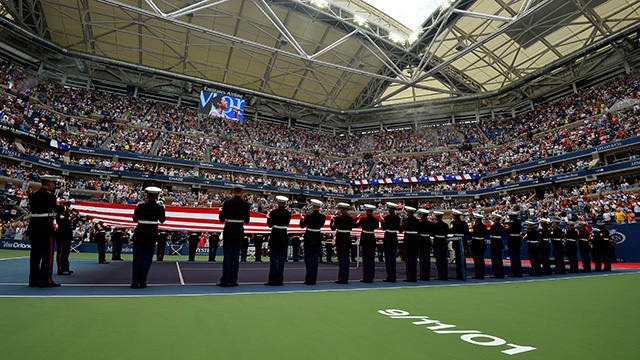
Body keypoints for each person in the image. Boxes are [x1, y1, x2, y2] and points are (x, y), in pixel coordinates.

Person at [26, 175, 60, 287]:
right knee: (47, 255)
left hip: (34, 227)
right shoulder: (50, 196)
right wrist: (64, 206)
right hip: (45, 227)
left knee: (35, 255)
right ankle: (46, 280)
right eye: (53, 183)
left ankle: (33, 280)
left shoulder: (33, 196)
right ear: (49, 183)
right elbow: (57, 209)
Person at [131, 186, 166, 289]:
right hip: (151, 234)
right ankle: (142, 282)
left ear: (146, 195)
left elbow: (134, 219)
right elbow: (162, 220)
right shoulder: (159, 208)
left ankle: (134, 282)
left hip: (140, 233)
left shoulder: (140, 206)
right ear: (157, 196)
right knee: (147, 258)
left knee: (137, 258)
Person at [218, 184, 250, 287]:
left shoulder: (227, 203)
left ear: (233, 191)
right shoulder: (246, 204)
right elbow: (247, 221)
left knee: (227, 256)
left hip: (229, 231)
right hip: (239, 231)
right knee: (236, 257)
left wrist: (221, 212)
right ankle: (233, 280)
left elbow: (222, 219)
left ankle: (225, 280)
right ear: (241, 192)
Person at [265, 196, 291, 286]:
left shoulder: (273, 212)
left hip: (275, 235)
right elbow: (287, 224)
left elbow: (269, 225)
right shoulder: (288, 214)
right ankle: (280, 279)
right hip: (283, 236)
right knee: (281, 259)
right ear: (285, 203)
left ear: (278, 203)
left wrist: (268, 218)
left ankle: (272, 279)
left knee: (273, 259)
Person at [300, 199, 326, 285]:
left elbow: (302, 226)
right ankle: (313, 278)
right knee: (315, 259)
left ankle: (309, 278)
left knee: (308, 259)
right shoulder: (323, 217)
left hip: (309, 238)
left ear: (313, 206)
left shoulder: (308, 216)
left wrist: (302, 219)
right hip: (317, 238)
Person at [330, 202, 355, 284]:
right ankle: (345, 277)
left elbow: (333, 228)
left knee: (341, 259)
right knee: (346, 259)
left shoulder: (338, 218)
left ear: (341, 209)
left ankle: (342, 278)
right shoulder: (351, 219)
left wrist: (331, 221)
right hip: (347, 239)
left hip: (340, 239)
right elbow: (351, 228)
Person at [355, 204, 379, 283]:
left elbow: (355, 224)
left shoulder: (363, 219)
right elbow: (376, 226)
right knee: (371, 259)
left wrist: (357, 218)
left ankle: (366, 277)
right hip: (372, 238)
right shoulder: (375, 220)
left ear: (366, 211)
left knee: (365, 259)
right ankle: (371, 277)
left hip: (365, 239)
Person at [380, 202, 400, 282]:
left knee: (388, 258)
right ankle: (393, 275)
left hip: (388, 238)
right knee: (393, 258)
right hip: (394, 237)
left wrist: (382, 220)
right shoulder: (397, 218)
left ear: (390, 209)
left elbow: (383, 228)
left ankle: (390, 276)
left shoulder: (387, 218)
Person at [399, 206, 419, 282]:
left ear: (409, 212)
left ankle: (410, 277)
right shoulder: (417, 221)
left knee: (409, 260)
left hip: (408, 241)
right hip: (415, 241)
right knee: (414, 259)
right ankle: (414, 276)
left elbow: (401, 230)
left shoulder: (406, 221)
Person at [448, 209, 470, 280]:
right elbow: (467, 232)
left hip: (457, 240)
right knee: (463, 258)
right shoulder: (464, 223)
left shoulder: (453, 223)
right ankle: (464, 272)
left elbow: (451, 230)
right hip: (463, 239)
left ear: (455, 216)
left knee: (458, 257)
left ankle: (459, 274)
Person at [54, 201, 73, 275]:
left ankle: (66, 267)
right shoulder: (60, 215)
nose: (66, 208)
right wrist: (68, 218)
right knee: (61, 252)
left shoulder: (66, 215)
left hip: (67, 235)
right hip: (62, 235)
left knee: (66, 252)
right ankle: (61, 269)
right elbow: (64, 222)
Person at [469, 213, 487, 279]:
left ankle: (478, 274)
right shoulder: (484, 226)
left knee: (477, 260)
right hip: (482, 243)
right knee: (481, 260)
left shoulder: (475, 227)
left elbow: (471, 234)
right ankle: (482, 274)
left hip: (476, 244)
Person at [432, 211, 449, 280]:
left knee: (439, 260)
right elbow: (446, 233)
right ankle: (445, 274)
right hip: (443, 242)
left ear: (436, 217)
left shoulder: (435, 225)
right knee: (444, 260)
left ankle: (441, 275)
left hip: (437, 243)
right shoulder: (445, 225)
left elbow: (432, 234)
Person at [417, 209, 433, 281]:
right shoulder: (430, 224)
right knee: (427, 259)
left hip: (421, 241)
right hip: (427, 241)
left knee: (422, 259)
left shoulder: (420, 224)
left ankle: (423, 275)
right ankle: (427, 274)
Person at [505, 212, 523, 277]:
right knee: (517, 257)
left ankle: (515, 272)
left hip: (512, 241)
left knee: (513, 257)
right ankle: (519, 271)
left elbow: (507, 232)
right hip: (517, 241)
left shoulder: (511, 224)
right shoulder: (519, 224)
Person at [489, 213, 505, 279]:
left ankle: (497, 273)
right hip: (499, 242)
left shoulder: (493, 226)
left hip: (494, 242)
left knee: (495, 259)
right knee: (499, 258)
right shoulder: (501, 226)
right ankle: (500, 272)